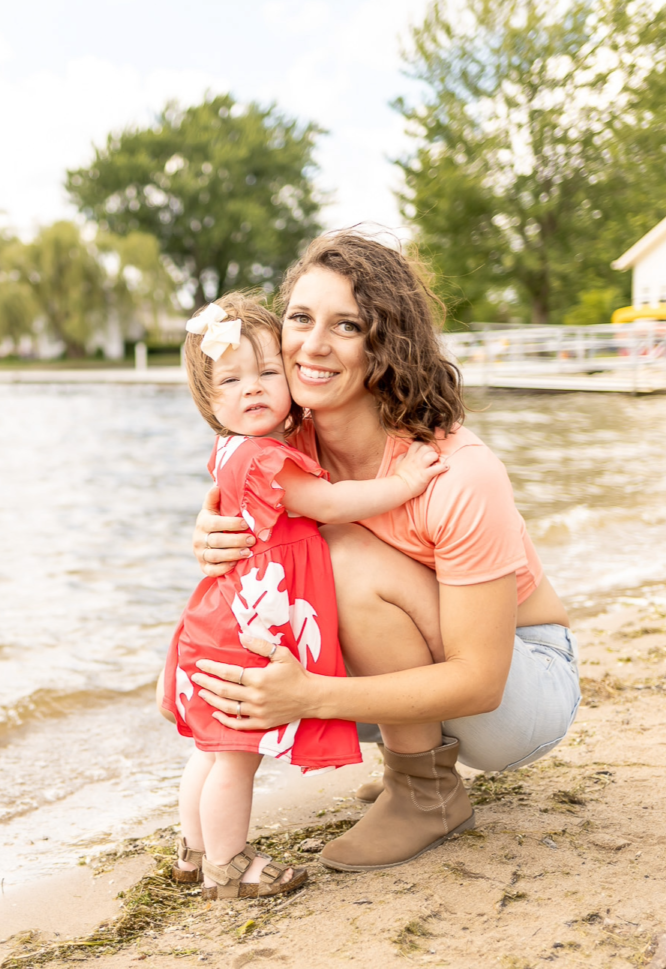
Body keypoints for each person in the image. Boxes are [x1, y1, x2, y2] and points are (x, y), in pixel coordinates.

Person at [189, 230, 581, 872]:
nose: (312, 346)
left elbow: (480, 682)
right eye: (300, 318)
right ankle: (412, 759)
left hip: (517, 689)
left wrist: (309, 696)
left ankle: (424, 792)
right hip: (440, 667)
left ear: (386, 341)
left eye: (346, 325)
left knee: (338, 553)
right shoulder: (282, 448)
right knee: (240, 619)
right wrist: (209, 536)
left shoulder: (456, 473)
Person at [162, 292, 448, 899]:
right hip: (247, 627)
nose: (255, 388)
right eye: (233, 380)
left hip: (221, 617)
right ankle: (229, 864)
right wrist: (404, 483)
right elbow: (328, 504)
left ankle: (192, 850)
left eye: (269, 372)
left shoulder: (241, 448)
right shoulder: (265, 457)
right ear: (210, 402)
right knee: (236, 756)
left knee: (212, 749)